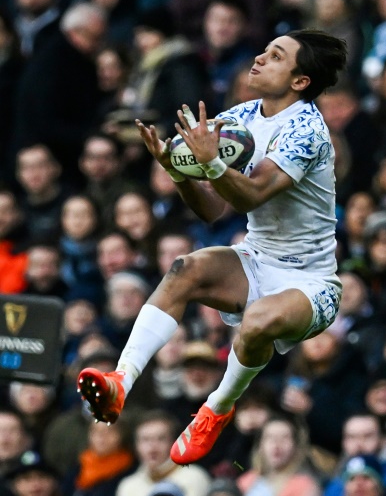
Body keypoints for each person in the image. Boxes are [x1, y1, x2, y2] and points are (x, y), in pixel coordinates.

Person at [77, 29, 348, 466]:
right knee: (184, 268)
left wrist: (213, 161)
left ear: (300, 81)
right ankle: (119, 383)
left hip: (311, 282)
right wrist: (178, 171)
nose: (258, 58)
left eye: (275, 56)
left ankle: (217, 408)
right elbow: (212, 210)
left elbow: (252, 195)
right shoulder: (242, 116)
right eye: (264, 49)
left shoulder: (307, 129)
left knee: (257, 320)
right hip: (258, 259)